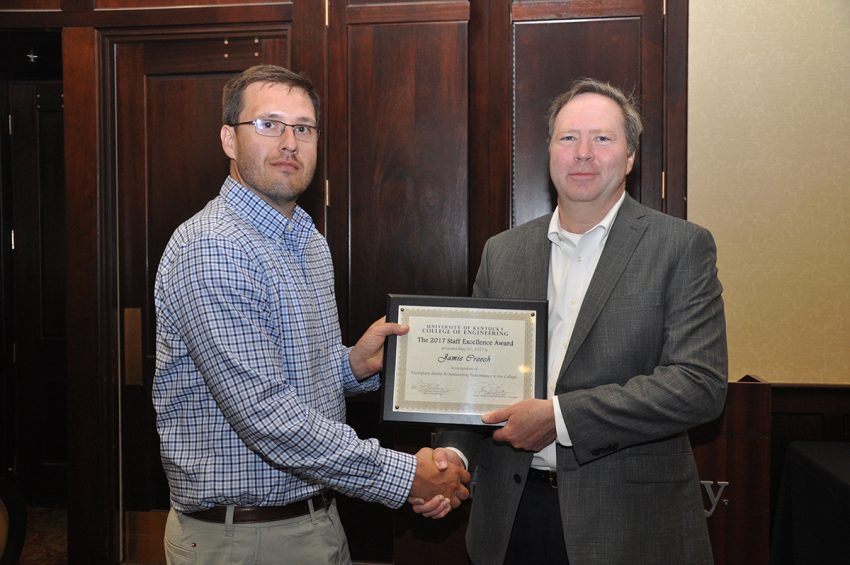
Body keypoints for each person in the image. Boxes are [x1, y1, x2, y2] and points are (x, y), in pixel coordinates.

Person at [153, 64, 469, 565]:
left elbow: (287, 379)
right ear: (228, 140)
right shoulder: (214, 247)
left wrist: (352, 367)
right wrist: (406, 476)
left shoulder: (307, 240)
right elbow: (266, 416)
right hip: (246, 538)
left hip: (316, 519)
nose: (288, 143)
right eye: (268, 124)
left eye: (303, 128)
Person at [413, 78, 728, 564]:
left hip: (629, 525)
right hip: (511, 519)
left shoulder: (681, 247)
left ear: (629, 157)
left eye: (602, 138)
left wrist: (559, 418)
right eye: (568, 138)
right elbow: (472, 383)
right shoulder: (504, 252)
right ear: (549, 152)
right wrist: (451, 459)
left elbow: (698, 385)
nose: (583, 152)